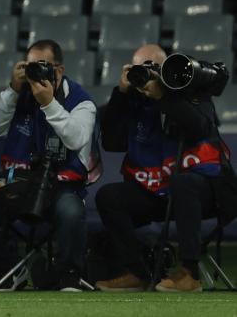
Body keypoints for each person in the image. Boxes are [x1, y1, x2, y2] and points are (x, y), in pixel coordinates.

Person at [0, 40, 99, 292]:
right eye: (30, 67)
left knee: (70, 212)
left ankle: (68, 276)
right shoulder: (20, 95)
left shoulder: (82, 102)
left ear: (59, 70)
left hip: (61, 186)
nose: (35, 74)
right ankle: (12, 270)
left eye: (42, 67)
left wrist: (49, 104)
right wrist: (13, 90)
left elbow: (76, 138)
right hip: (19, 183)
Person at [95, 44, 232, 292]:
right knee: (109, 196)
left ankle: (189, 273)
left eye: (153, 68)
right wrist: (121, 93)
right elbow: (112, 143)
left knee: (183, 182)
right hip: (156, 191)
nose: (147, 74)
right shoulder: (133, 99)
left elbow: (200, 127)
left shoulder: (190, 87)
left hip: (205, 189)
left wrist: (162, 96)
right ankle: (138, 272)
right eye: (140, 69)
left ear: (167, 68)